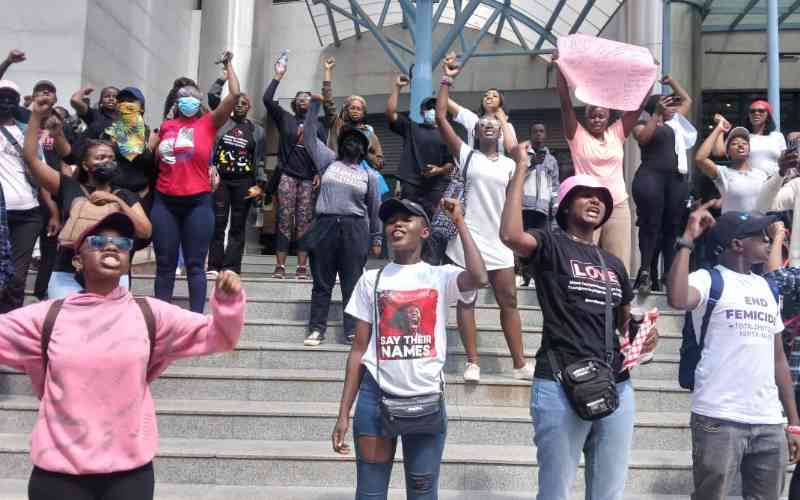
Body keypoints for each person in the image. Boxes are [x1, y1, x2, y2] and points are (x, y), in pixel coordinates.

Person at [0, 211, 245, 500]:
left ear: (128, 259)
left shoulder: (151, 314)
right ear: (77, 260)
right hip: (58, 475)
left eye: (122, 244)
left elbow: (218, 336)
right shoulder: (45, 317)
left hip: (129, 476)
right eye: (98, 241)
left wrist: (228, 302)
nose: (112, 247)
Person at [500, 163, 658, 500]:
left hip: (616, 383)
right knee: (556, 491)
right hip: (560, 381)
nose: (595, 201)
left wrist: (643, 339)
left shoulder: (613, 263)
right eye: (584, 195)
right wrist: (519, 171)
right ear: (566, 205)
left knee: (609, 492)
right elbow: (511, 236)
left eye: (601, 198)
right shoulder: (550, 245)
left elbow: (624, 324)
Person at [332, 197, 488, 499]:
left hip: (426, 401)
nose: (397, 224)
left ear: (425, 231)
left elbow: (480, 277)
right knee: (370, 493)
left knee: (423, 492)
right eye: (391, 221)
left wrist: (459, 222)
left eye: (407, 218)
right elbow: (358, 350)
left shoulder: (440, 276)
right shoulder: (370, 280)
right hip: (375, 399)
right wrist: (343, 412)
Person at [666, 205, 800, 500]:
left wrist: (793, 421)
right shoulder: (708, 279)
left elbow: (778, 358)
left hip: (768, 419)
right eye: (761, 236)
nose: (768, 241)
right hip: (718, 416)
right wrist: (688, 239)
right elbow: (676, 298)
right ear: (738, 244)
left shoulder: (768, 288)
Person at [438, 61, 532, 382]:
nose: (489, 125)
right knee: (467, 300)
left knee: (509, 300)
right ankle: (472, 362)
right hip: (470, 238)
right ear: (476, 131)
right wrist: (446, 81)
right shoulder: (466, 155)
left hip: (501, 242)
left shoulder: (510, 165)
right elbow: (440, 117)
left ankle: (520, 364)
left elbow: (514, 205)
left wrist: (516, 246)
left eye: (495, 122)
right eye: (484, 123)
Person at [23, 95, 151, 298]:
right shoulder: (68, 186)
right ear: (85, 165)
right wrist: (36, 117)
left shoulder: (124, 194)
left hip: (113, 276)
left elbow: (145, 231)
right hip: (66, 274)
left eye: (110, 158)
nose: (107, 161)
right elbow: (31, 159)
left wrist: (117, 201)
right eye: (100, 158)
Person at [151, 51, 241, 313]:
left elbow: (234, 95)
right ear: (175, 102)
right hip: (165, 201)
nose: (188, 100)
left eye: (193, 97)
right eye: (183, 97)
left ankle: (196, 320)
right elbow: (152, 155)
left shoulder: (209, 123)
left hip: (198, 202)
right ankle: (161, 319)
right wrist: (156, 147)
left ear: (200, 101)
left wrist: (228, 65)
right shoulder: (166, 125)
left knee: (194, 264)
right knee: (165, 264)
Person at [553, 52, 649, 271]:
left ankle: (619, 305)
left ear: (609, 118)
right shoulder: (576, 135)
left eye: (601, 116)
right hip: (586, 204)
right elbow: (565, 102)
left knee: (618, 264)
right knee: (582, 261)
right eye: (592, 116)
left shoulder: (617, 133)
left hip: (617, 205)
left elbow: (638, 108)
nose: (596, 119)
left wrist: (649, 78)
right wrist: (560, 68)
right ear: (586, 118)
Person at [301, 95, 382, 346]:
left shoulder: (369, 176)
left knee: (352, 283)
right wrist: (314, 106)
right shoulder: (328, 161)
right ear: (342, 142)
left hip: (355, 229)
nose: (352, 144)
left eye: (358, 142)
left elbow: (375, 208)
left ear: (364, 149)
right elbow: (308, 137)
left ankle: (351, 331)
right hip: (325, 226)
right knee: (322, 283)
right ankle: (316, 329)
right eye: (348, 140)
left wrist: (376, 237)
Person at [263, 57, 327, 280]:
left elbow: (321, 152)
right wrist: (278, 75)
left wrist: (320, 172)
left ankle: (302, 267)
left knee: (304, 222)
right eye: (299, 98)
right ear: (294, 103)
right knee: (283, 219)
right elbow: (267, 99)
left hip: (309, 179)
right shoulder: (285, 119)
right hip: (288, 176)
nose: (303, 101)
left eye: (307, 98)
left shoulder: (318, 126)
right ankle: (280, 266)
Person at [631, 75, 695, 294]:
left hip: (675, 180)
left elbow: (687, 100)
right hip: (651, 178)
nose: (672, 108)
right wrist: (656, 114)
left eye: (671, 104)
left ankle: (668, 273)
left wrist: (672, 82)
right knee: (651, 226)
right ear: (655, 108)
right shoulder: (643, 124)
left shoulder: (676, 123)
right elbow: (643, 139)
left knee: (672, 227)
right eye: (667, 105)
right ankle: (646, 272)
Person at [206, 78, 266, 277]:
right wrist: (222, 78)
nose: (239, 105)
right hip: (221, 180)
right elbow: (212, 97)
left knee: (238, 226)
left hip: (244, 181)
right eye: (236, 102)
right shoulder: (222, 121)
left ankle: (231, 267)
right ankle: (214, 266)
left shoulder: (257, 131)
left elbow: (259, 160)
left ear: (249, 107)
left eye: (244, 103)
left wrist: (259, 183)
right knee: (218, 222)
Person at [0, 79, 43, 313]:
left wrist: (53, 211)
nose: (6, 103)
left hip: (28, 213)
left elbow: (39, 171)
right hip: (1, 214)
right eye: (1, 97)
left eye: (11, 99)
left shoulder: (26, 131)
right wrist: (7, 61)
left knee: (17, 278)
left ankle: (10, 325)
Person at [386, 74, 454, 218]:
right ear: (422, 112)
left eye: (435, 107)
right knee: (409, 218)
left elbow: (451, 164)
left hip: (436, 186)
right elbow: (391, 114)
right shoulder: (411, 127)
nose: (432, 110)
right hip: (411, 183)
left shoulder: (447, 134)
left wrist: (439, 170)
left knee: (434, 222)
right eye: (429, 107)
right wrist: (397, 87)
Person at [321, 56, 384, 171]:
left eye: (359, 109)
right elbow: (327, 102)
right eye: (352, 108)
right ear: (346, 110)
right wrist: (327, 71)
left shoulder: (370, 135)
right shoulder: (337, 124)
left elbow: (379, 164)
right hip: (335, 173)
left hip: (357, 179)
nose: (355, 111)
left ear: (364, 113)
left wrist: (363, 151)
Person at [696, 117, 768, 214]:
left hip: (758, 227)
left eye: (744, 143)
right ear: (727, 152)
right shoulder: (723, 173)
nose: (740, 145)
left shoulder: (761, 174)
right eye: (734, 144)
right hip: (733, 227)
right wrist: (719, 129)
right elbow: (700, 159)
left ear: (749, 149)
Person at [519, 122, 560, 287]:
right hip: (524, 208)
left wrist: (555, 205)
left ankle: (536, 277)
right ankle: (524, 275)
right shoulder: (523, 156)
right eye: (535, 131)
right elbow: (515, 178)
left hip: (543, 210)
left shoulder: (551, 161)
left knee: (540, 244)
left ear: (545, 135)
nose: (538, 134)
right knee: (522, 243)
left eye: (541, 131)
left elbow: (555, 185)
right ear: (530, 133)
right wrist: (532, 163)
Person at [711, 99, 786, 178]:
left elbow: (784, 161)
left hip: (774, 182)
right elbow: (718, 152)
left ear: (768, 115)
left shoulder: (777, 136)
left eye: (761, 111)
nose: (756, 113)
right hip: (748, 182)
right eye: (752, 111)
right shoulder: (741, 136)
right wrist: (721, 128)